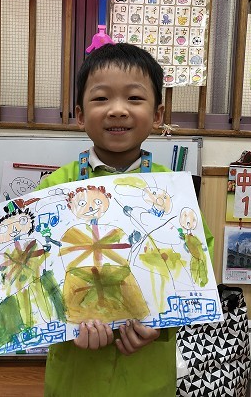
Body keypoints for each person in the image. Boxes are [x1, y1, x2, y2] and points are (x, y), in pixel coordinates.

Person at [36, 42, 214, 396]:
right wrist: (67, 323)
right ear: (80, 114)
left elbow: (199, 266)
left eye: (134, 98)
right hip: (77, 373)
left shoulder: (172, 191)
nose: (118, 110)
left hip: (147, 372)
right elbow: (37, 276)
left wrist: (160, 327)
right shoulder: (54, 188)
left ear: (157, 114)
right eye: (101, 98)